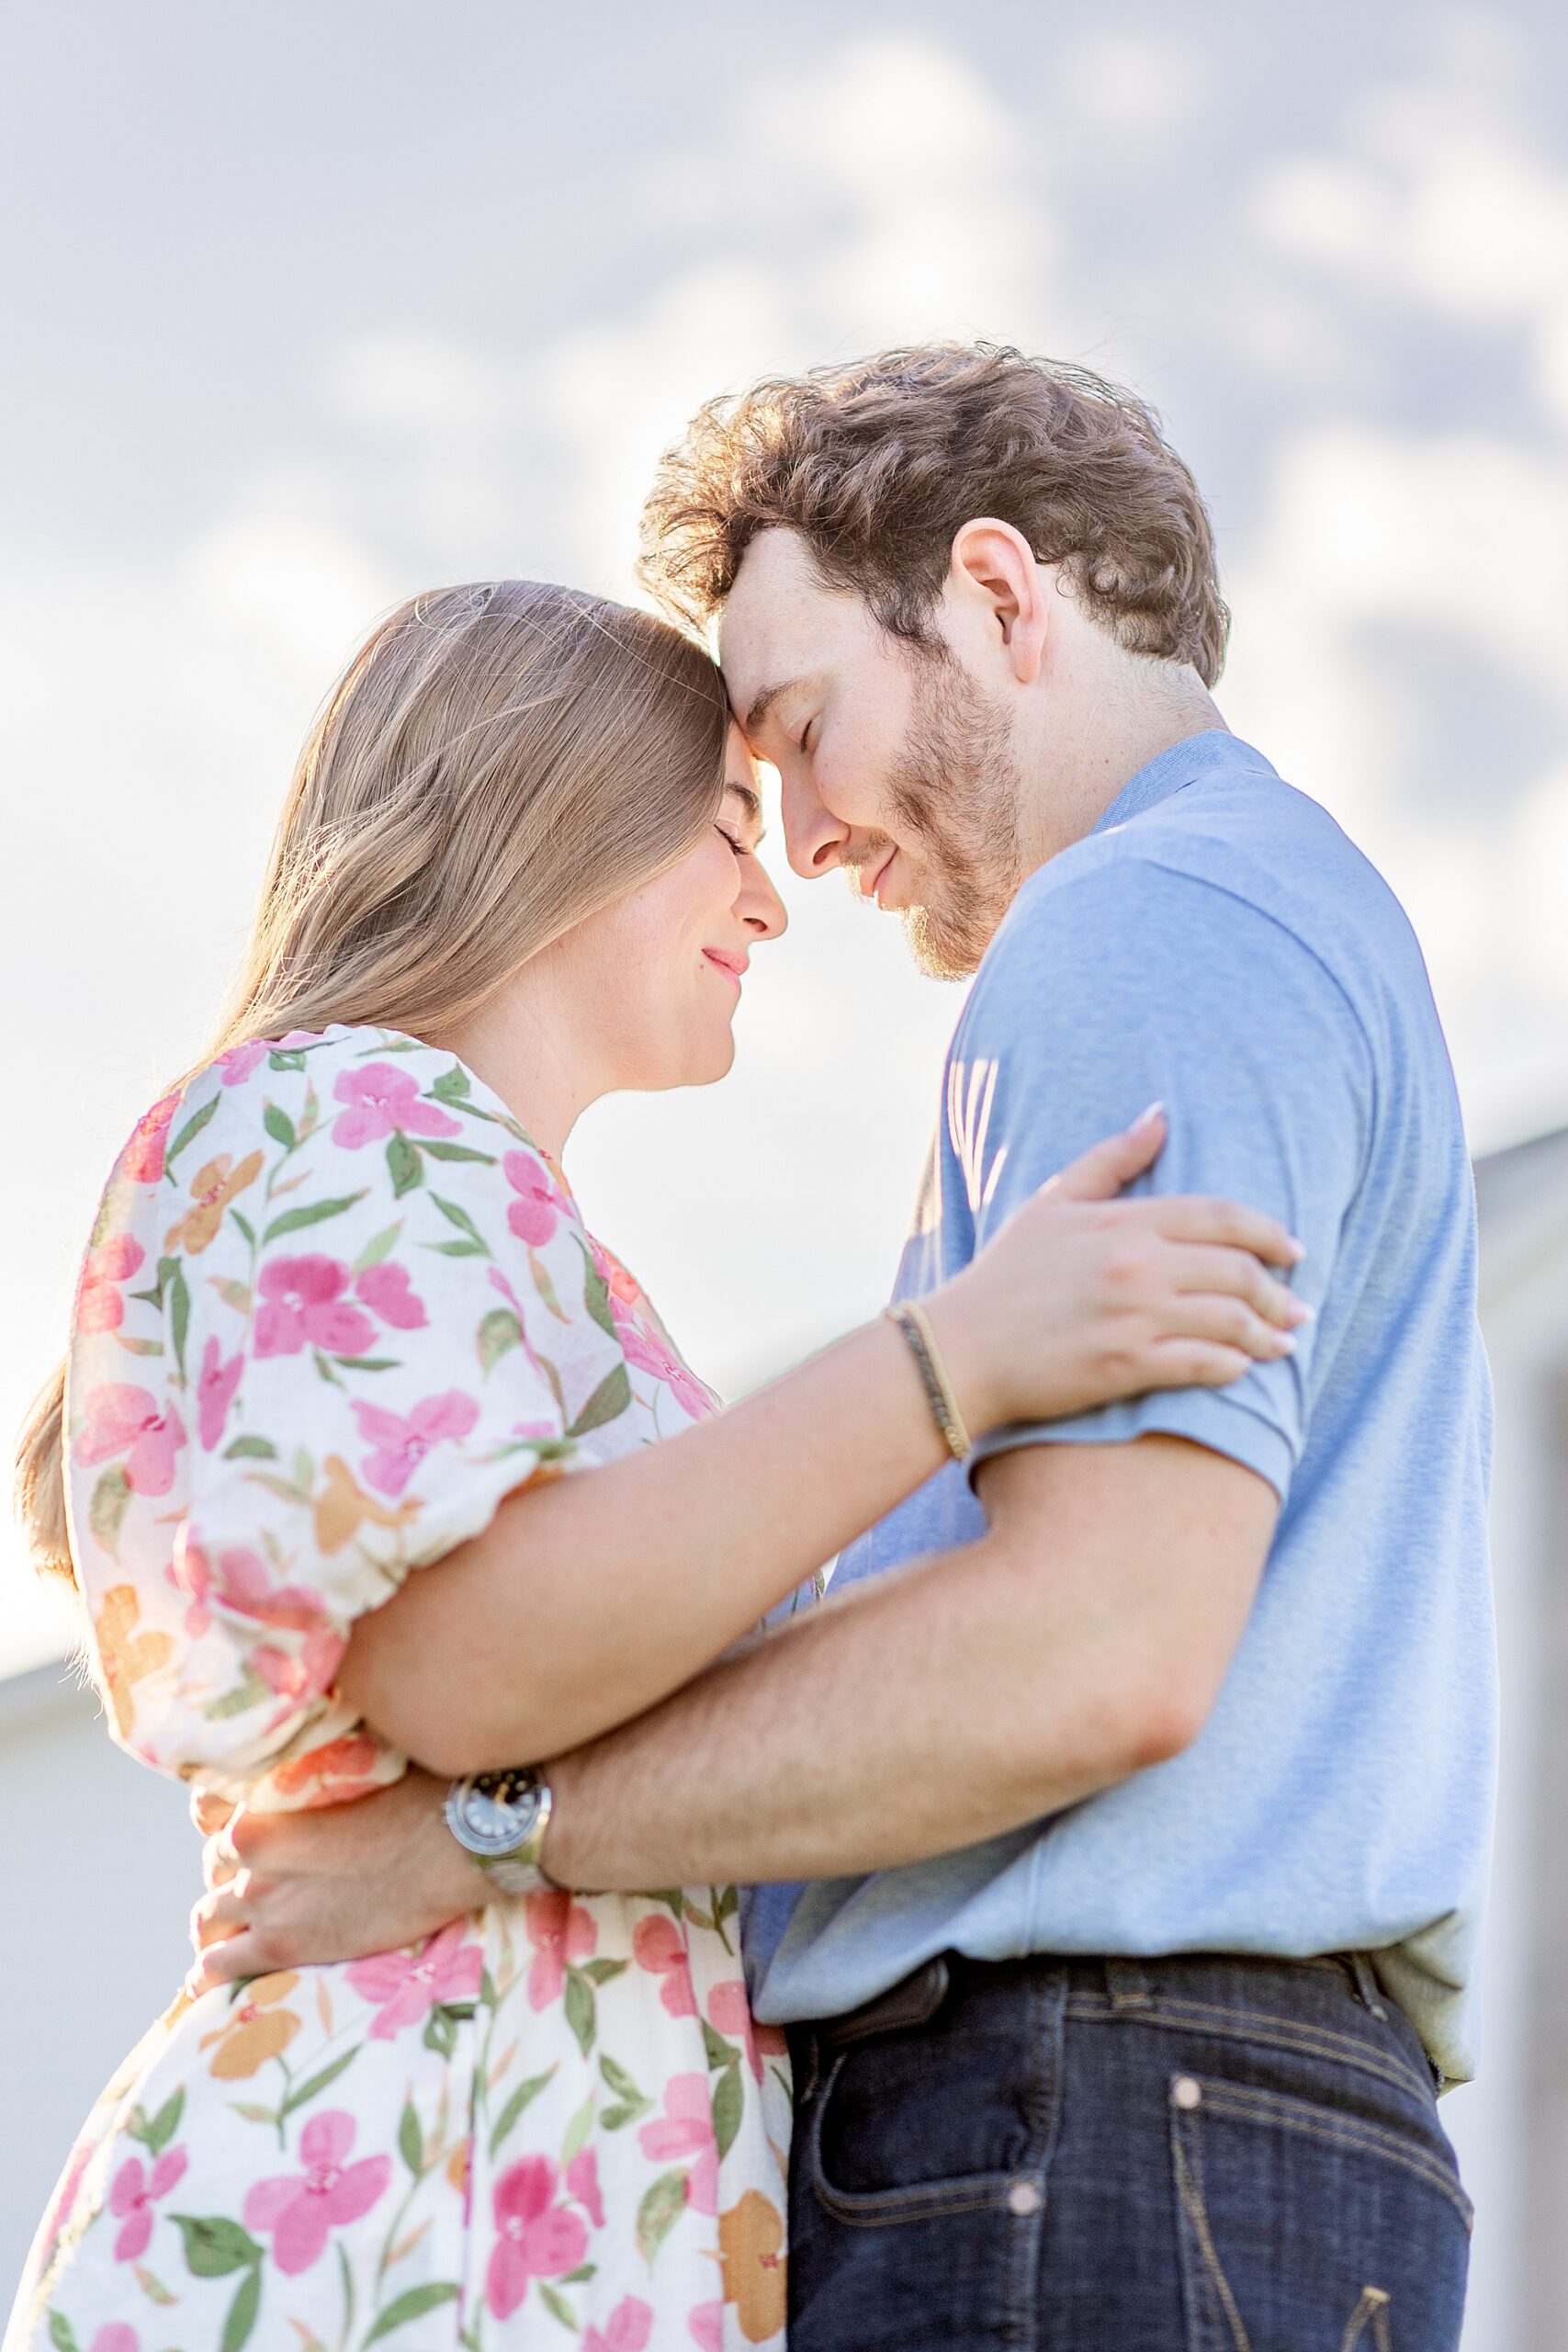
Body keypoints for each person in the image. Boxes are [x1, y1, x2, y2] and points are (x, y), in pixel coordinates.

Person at [183, 347, 1494, 2352]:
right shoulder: (1241, 912)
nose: (793, 838)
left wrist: (478, 1835)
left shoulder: (1133, 924)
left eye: (800, 728)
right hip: (1180, 2132)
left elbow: (1091, 1651)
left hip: (1089, 2123)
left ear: (990, 593)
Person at [6, 576, 1304, 2352]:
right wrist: (961, 1357)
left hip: (526, 2209)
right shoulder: (341, 1112)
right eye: (721, 829)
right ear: (561, 818)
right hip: (400, 2201)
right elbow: (489, 1663)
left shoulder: (505, 1221)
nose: (774, 895)